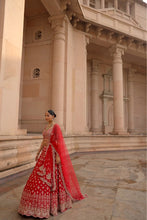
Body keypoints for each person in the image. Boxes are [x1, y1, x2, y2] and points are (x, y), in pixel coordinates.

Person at [18, 109, 85, 218]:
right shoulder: (46, 127)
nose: (46, 117)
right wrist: (38, 152)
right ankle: (34, 206)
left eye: (48, 115)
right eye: (45, 115)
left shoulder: (56, 127)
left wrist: (58, 155)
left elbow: (59, 141)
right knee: (37, 176)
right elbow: (43, 141)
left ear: (53, 116)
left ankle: (54, 205)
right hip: (45, 152)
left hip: (52, 154)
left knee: (52, 177)